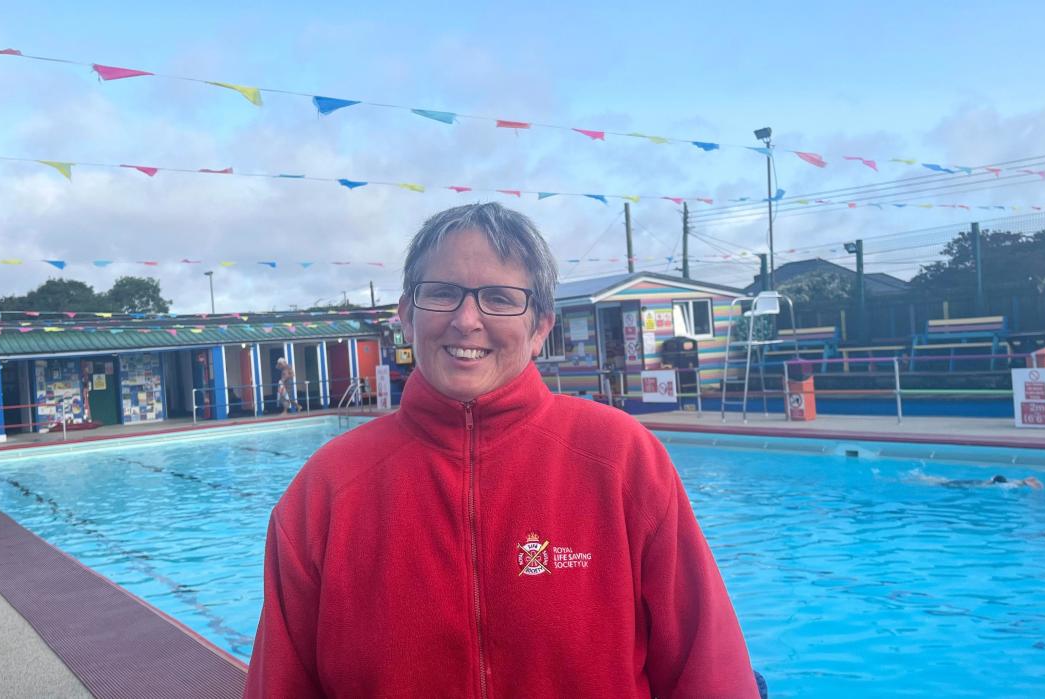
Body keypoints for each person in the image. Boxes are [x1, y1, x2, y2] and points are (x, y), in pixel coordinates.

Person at [245, 203, 760, 698]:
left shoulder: (622, 460)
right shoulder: (328, 489)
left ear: (540, 328)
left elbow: (708, 669)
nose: (467, 320)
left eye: (499, 297)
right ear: (406, 317)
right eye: (442, 293)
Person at [933, 474, 1045, 489]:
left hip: (973, 481)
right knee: (945, 482)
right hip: (973, 482)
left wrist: (1025, 482)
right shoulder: (1005, 484)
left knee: (944, 482)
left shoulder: (989, 484)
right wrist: (1024, 482)